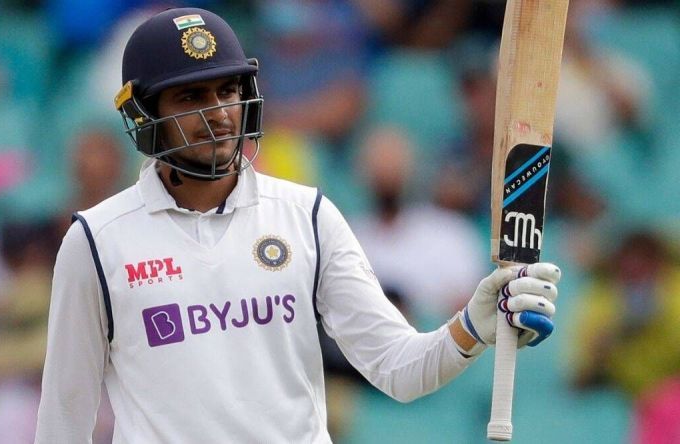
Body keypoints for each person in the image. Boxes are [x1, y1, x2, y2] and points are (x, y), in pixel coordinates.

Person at [35, 7, 562, 443]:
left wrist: (472, 326)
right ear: (146, 114)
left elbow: (399, 370)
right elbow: (64, 419)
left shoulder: (306, 216)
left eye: (227, 90)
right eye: (191, 96)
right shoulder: (97, 241)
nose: (218, 112)